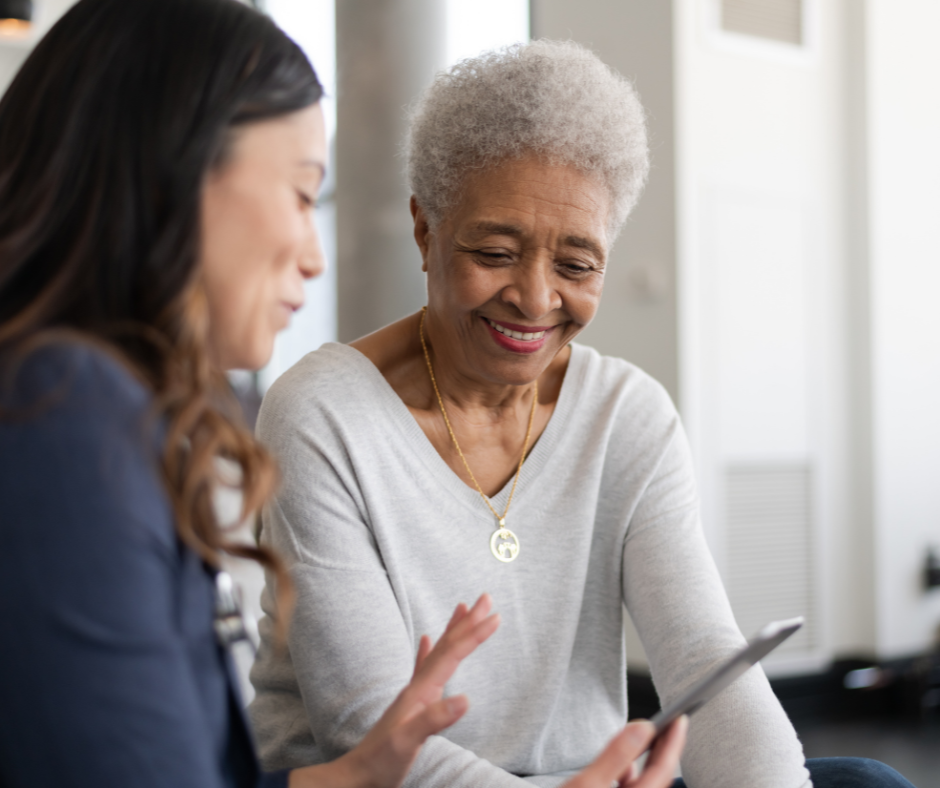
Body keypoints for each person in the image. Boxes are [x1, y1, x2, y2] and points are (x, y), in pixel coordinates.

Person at [0, 2, 688, 787]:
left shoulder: (100, 409)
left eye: (574, 263)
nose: (315, 257)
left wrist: (361, 775)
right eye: (300, 194)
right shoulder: (63, 416)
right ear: (167, 181)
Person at [248, 40, 916, 788]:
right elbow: (370, 728)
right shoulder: (323, 414)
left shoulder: (627, 415)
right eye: (495, 252)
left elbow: (703, 656)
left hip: (587, 779)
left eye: (575, 265)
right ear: (425, 229)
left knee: (864, 783)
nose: (536, 300)